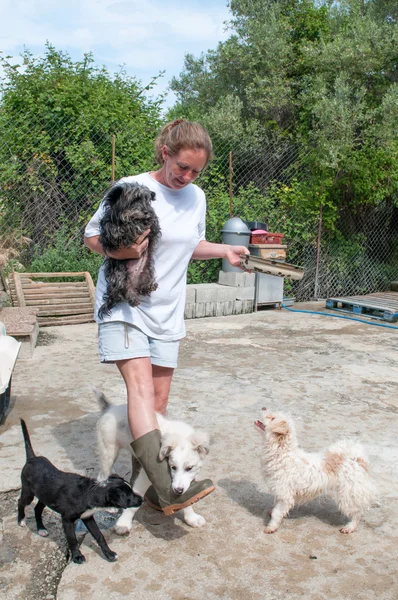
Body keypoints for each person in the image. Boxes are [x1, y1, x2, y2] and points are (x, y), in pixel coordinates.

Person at [84, 119, 249, 515]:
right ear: (165, 154)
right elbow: (91, 236)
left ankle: (143, 488)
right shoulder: (131, 187)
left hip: (168, 312)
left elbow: (189, 245)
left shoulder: (196, 197)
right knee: (140, 392)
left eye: (196, 171)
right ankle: (166, 488)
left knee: (158, 403)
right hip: (126, 304)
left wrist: (223, 252)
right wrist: (118, 252)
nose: (187, 177)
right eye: (182, 167)